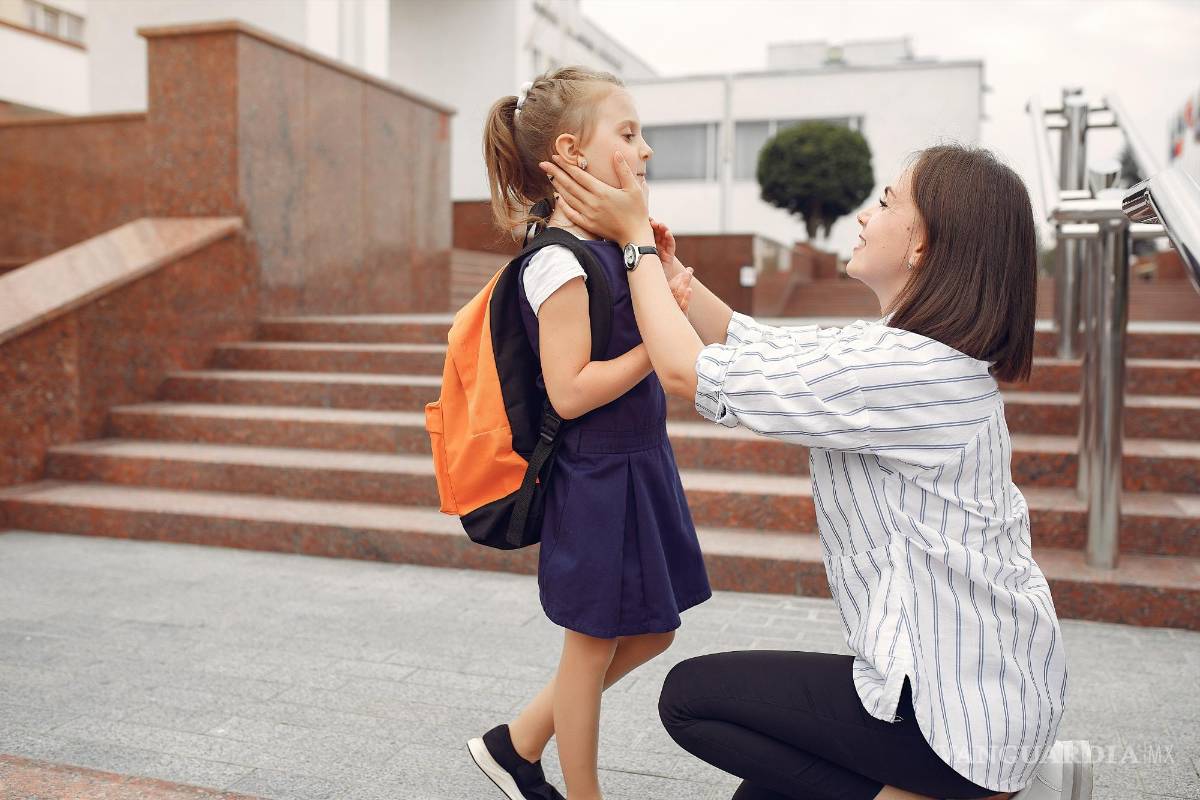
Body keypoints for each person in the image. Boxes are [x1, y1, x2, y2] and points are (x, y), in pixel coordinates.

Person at [537, 143, 1093, 800]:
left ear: (923, 245)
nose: (865, 215)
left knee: (691, 700)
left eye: (885, 202)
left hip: (955, 712)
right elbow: (750, 342)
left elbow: (691, 372)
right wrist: (667, 262)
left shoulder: (905, 370)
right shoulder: (906, 352)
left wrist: (634, 246)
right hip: (979, 683)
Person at [466, 67, 712, 800]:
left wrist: (658, 272)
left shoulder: (613, 244)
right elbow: (569, 394)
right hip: (597, 476)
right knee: (591, 643)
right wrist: (655, 348)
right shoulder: (555, 263)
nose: (643, 152)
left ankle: (515, 743)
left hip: (641, 464)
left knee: (653, 630)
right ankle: (580, 792)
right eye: (628, 134)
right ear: (572, 152)